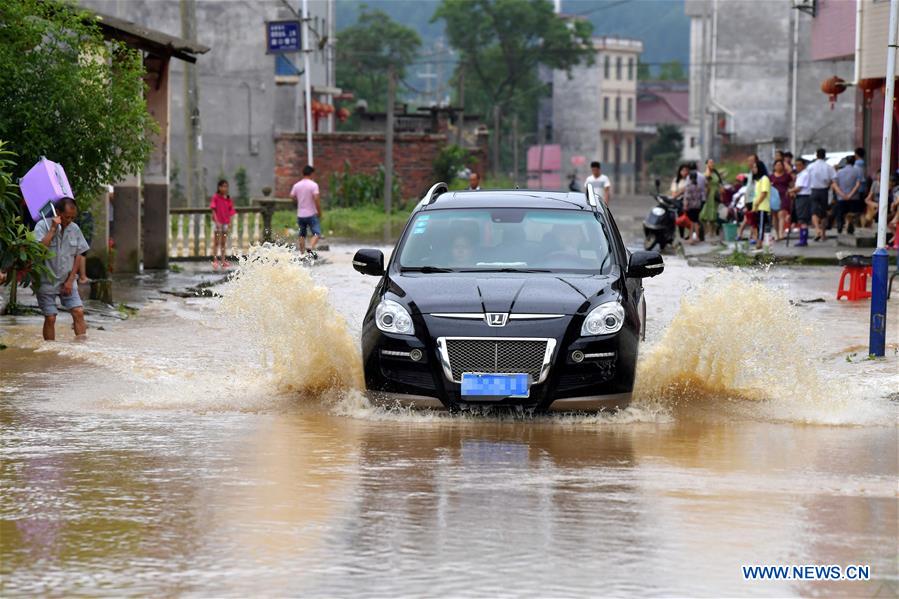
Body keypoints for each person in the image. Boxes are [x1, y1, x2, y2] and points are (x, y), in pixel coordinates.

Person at [32, 198, 89, 341]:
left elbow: (78, 254)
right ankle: (50, 350)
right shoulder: (42, 225)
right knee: (50, 318)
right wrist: (52, 229)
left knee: (78, 311)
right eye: (67, 217)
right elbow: (38, 251)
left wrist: (70, 280)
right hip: (46, 281)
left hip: (67, 279)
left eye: (72, 217)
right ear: (58, 213)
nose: (69, 220)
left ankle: (82, 349)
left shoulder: (74, 228)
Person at [290, 165, 323, 259]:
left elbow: (292, 196)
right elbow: (316, 199)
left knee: (302, 234)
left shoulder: (297, 185)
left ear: (302, 173)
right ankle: (310, 247)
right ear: (312, 173)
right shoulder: (313, 185)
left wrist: (298, 201)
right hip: (311, 213)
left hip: (300, 214)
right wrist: (319, 211)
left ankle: (301, 254)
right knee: (317, 233)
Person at [806, 148, 836, 241]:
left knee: (814, 211)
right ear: (825, 155)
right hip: (824, 191)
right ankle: (823, 234)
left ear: (816, 155)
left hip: (813, 190)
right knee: (824, 213)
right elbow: (834, 178)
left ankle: (817, 229)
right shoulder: (828, 167)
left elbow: (807, 179)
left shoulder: (810, 166)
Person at [831, 156, 863, 234]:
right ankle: (850, 225)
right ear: (854, 162)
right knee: (852, 213)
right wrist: (850, 194)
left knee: (840, 213)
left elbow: (835, 185)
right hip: (854, 197)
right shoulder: (858, 171)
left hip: (841, 198)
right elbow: (858, 184)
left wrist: (842, 195)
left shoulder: (839, 172)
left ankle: (840, 225)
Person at [209, 179, 236, 270]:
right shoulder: (216, 197)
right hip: (218, 223)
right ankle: (215, 260)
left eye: (226, 186)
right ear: (219, 187)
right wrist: (216, 222)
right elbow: (213, 210)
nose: (224, 188)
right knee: (216, 242)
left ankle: (223, 260)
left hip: (225, 223)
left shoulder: (228, 198)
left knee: (223, 243)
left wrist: (230, 223)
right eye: (223, 186)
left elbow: (231, 211)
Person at [789, 158, 812, 246]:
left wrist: (791, 190)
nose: (797, 167)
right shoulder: (800, 174)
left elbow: (799, 188)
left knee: (803, 219)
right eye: (796, 165)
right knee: (801, 219)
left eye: (799, 165)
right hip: (800, 197)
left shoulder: (804, 174)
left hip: (804, 197)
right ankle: (803, 239)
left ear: (803, 165)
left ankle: (803, 240)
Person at [698, 159, 722, 242]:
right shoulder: (705, 174)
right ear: (706, 164)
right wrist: (708, 168)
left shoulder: (715, 173)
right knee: (704, 214)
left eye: (713, 162)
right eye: (710, 163)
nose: (712, 164)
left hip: (715, 195)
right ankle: (705, 231)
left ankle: (712, 232)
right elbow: (707, 180)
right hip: (708, 195)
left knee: (713, 214)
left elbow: (719, 183)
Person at [769, 159, 792, 241]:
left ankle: (781, 233)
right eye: (777, 165)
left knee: (781, 214)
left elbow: (791, 185)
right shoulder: (771, 177)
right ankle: (777, 233)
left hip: (783, 196)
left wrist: (790, 192)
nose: (778, 166)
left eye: (780, 165)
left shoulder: (787, 176)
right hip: (773, 197)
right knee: (774, 216)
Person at [751, 160, 771, 244]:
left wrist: (756, 204)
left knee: (762, 225)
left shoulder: (764, 179)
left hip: (762, 206)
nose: (753, 169)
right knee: (758, 224)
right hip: (757, 206)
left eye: (755, 167)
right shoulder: (758, 180)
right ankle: (760, 240)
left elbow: (764, 193)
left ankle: (760, 241)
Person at [683, 171, 704, 244]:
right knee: (696, 221)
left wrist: (685, 206)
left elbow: (687, 197)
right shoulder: (699, 186)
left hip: (691, 206)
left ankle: (691, 238)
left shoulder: (689, 186)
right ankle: (697, 237)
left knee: (691, 222)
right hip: (698, 206)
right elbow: (701, 196)